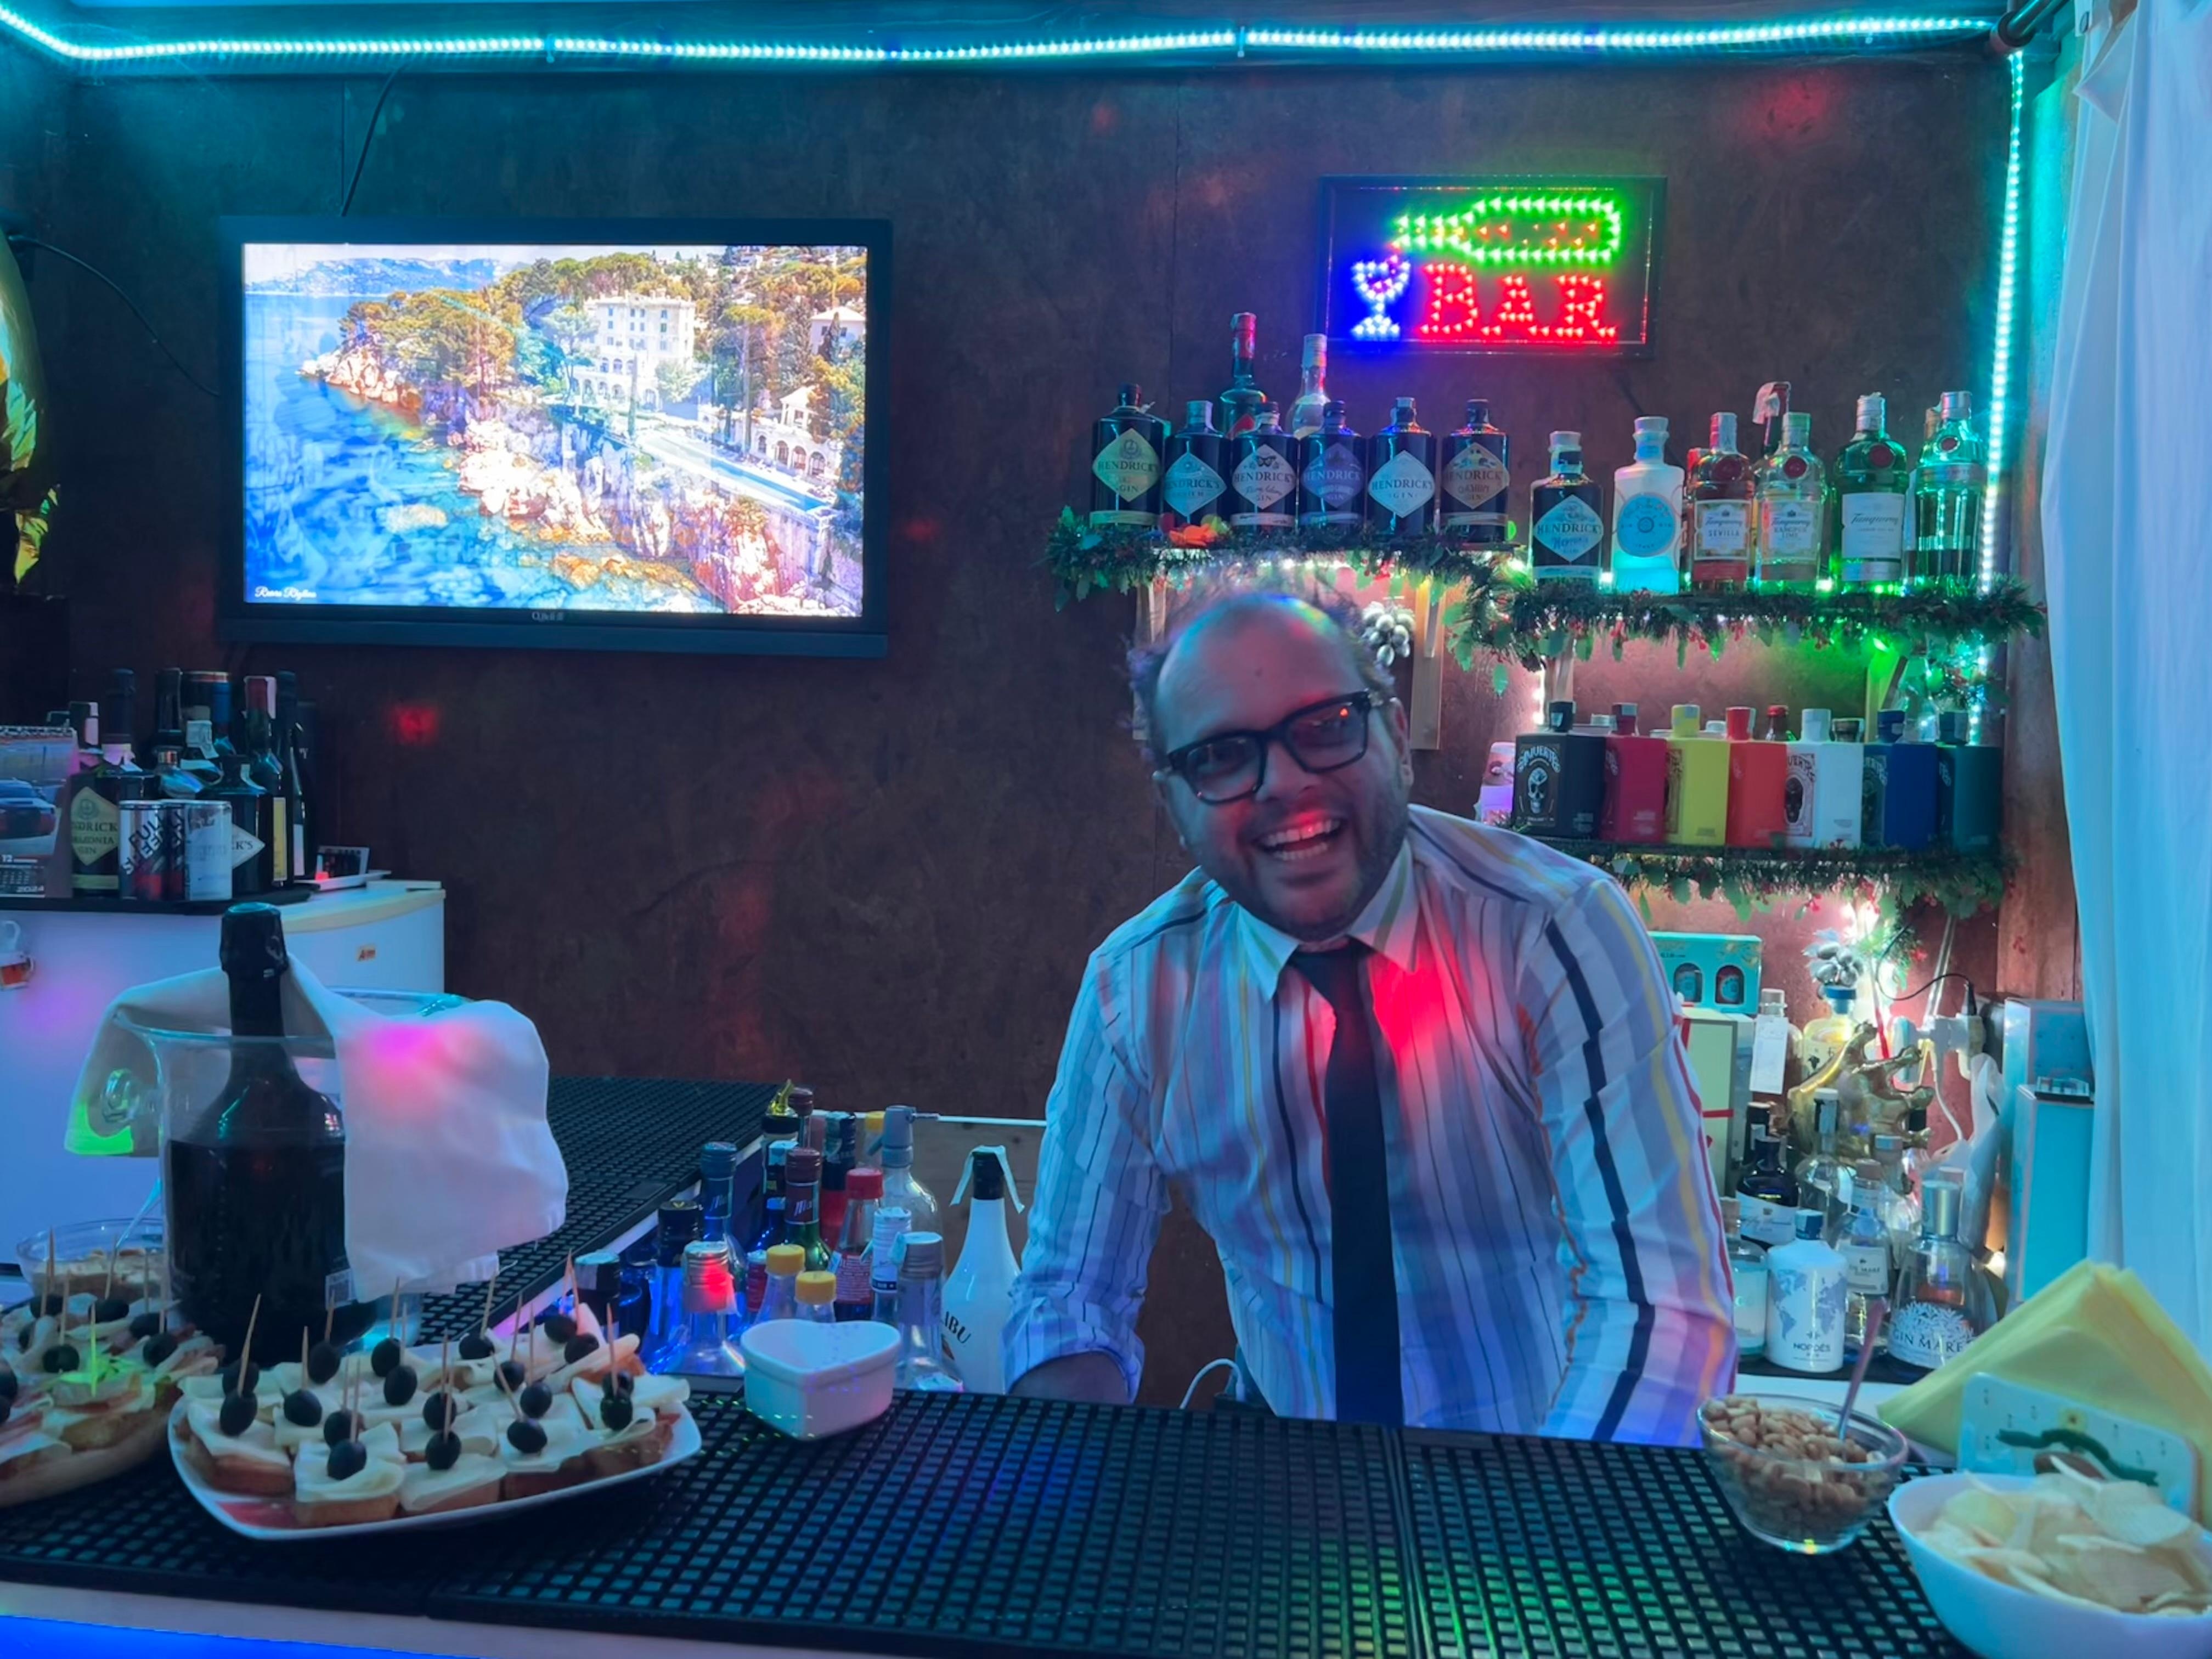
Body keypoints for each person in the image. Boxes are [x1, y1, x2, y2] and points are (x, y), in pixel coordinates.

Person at [1003, 584, 1734, 1442]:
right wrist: (1063, 1483)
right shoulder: (1134, 994)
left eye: (1326, 726)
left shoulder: (1555, 931)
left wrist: (1540, 1523)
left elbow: (1661, 1312)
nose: (1284, 784)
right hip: (1282, 1475)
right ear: (1174, 804)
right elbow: (1068, 1302)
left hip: (1538, 1463)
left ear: (1395, 737)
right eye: (1222, 756)